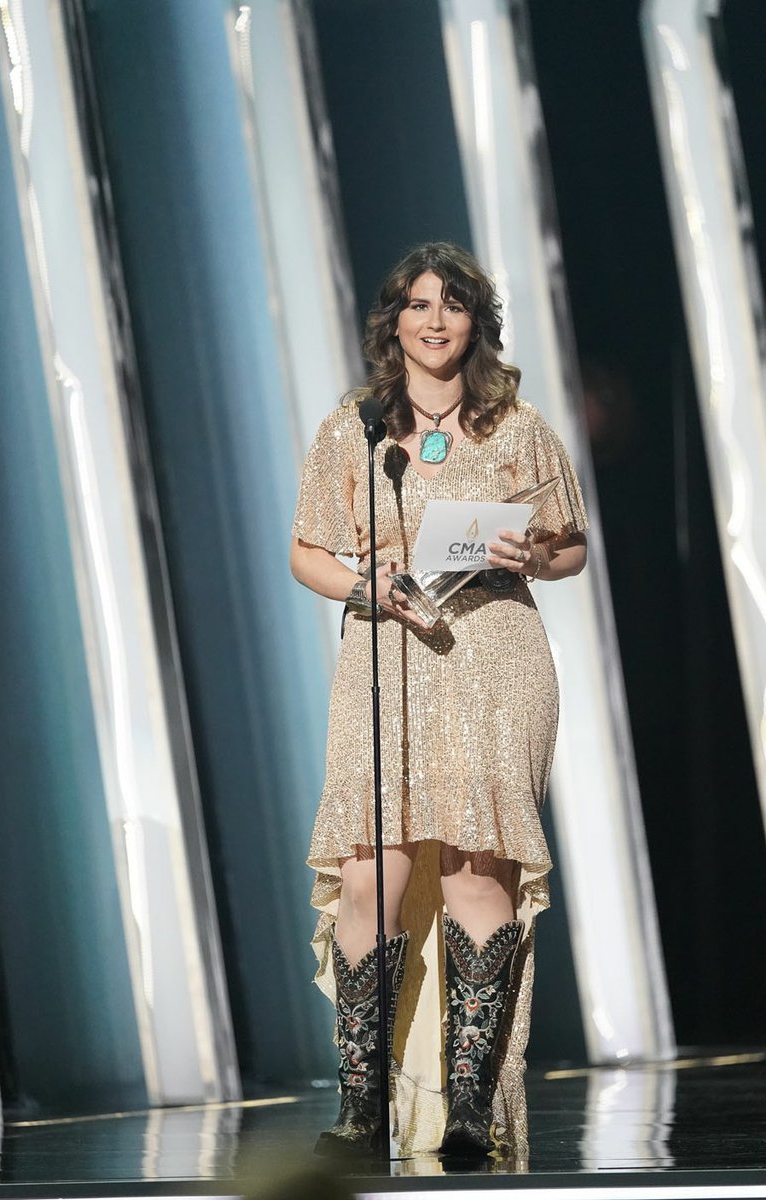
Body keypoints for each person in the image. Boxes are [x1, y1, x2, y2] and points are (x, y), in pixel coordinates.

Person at [290, 242, 588, 1162]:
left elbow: (570, 547)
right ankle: (363, 1108)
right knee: (371, 865)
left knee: (474, 865)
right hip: (386, 657)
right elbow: (307, 550)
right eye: (420, 305)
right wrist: (360, 587)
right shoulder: (357, 427)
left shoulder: (516, 425)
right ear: (395, 322)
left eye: (454, 306)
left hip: (494, 657)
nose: (435, 321)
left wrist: (531, 555)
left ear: (477, 324)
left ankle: (467, 1110)